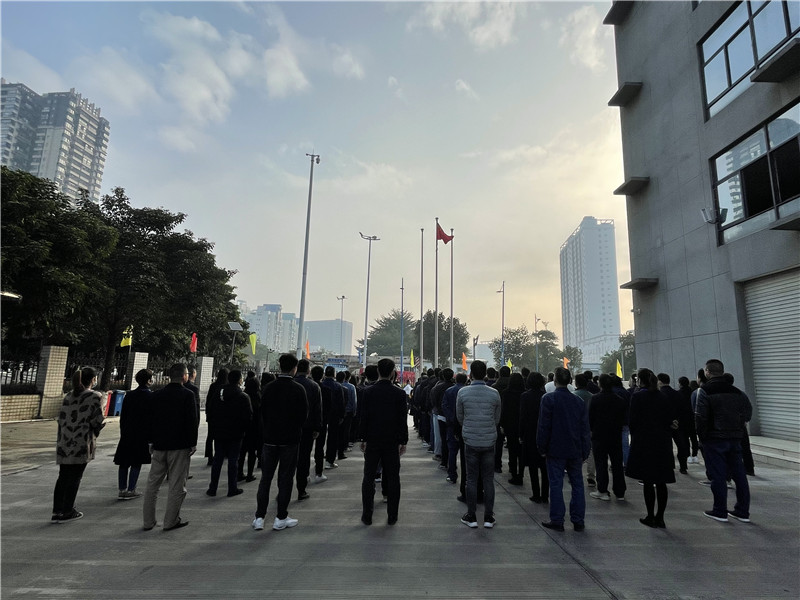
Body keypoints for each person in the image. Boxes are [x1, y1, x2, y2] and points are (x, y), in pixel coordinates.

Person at [252, 354, 308, 532]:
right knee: (285, 479)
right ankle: (281, 517)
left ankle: (259, 517)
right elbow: (303, 416)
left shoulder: (268, 388)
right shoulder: (298, 389)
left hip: (269, 440)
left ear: (280, 366)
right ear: (294, 368)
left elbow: (262, 413)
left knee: (265, 479)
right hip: (289, 441)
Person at [143, 363, 198, 531]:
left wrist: (151, 441)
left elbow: (150, 419)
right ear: (184, 376)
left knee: (153, 485)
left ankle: (148, 521)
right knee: (177, 485)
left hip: (159, 445)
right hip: (179, 446)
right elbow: (192, 421)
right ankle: (170, 520)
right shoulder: (187, 395)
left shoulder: (157, 395)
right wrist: (192, 443)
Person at [695, 359, 752, 523]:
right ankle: (742, 511)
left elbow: (700, 417)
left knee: (718, 475)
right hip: (735, 437)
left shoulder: (704, 391)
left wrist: (702, 438)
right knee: (739, 475)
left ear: (707, 372)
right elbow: (747, 413)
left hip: (714, 439)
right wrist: (738, 426)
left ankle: (720, 510)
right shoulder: (737, 392)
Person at [537, 367, 591, 532]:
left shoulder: (548, 399)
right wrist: (585, 450)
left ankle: (557, 519)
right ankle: (578, 520)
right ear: (570, 381)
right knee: (577, 484)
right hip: (575, 449)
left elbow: (544, 426)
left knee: (556, 484)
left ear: (555, 381)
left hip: (555, 449)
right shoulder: (578, 402)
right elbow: (584, 428)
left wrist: (542, 446)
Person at [357, 358, 409, 526]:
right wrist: (403, 440)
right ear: (393, 372)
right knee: (393, 478)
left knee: (369, 477)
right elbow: (402, 419)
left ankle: (367, 515)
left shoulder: (368, 392)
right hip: (391, 441)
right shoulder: (399, 393)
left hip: (372, 440)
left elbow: (363, 417)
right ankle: (392, 515)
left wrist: (362, 438)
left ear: (378, 371)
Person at [52, 366, 105, 523]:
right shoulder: (95, 396)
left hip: (64, 441)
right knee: (75, 477)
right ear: (93, 379)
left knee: (63, 476)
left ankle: (57, 510)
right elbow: (97, 420)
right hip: (81, 442)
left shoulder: (68, 396)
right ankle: (67, 510)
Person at [625, 368, 676, 528]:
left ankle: (650, 516)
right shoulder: (663, 396)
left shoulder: (638, 396)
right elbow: (669, 419)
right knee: (661, 482)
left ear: (640, 380)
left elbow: (632, 420)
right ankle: (660, 517)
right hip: (662, 443)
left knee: (648, 481)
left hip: (644, 442)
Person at [456, 360, 501, 529]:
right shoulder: (494, 393)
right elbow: (497, 418)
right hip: (489, 440)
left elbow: (460, 416)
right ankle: (489, 516)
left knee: (471, 479)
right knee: (488, 479)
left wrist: (469, 427)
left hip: (470, 440)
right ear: (486, 374)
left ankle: (471, 515)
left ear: (471, 374)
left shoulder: (463, 392)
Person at [206, 370, 252, 498]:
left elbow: (211, 409)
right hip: (236, 434)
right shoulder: (243, 396)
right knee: (233, 460)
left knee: (217, 460)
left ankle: (212, 488)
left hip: (219, 432)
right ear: (239, 380)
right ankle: (232, 488)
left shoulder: (219, 393)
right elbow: (248, 417)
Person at [113, 368, 153, 500]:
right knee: (136, 462)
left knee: (124, 462)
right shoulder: (150, 396)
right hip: (142, 434)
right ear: (149, 381)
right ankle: (131, 489)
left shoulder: (129, 395)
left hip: (127, 432)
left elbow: (123, 416)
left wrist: (123, 431)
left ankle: (122, 489)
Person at [588, 374, 627, 502]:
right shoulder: (619, 400)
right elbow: (623, 418)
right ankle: (620, 492)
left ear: (600, 384)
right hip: (615, 436)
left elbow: (590, 418)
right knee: (617, 464)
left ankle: (602, 490)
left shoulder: (595, 399)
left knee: (601, 463)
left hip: (599, 436)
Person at [294, 359, 322, 500]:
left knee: (287, 460)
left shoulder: (289, 383)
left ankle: (283, 490)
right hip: (307, 427)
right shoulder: (313, 386)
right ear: (308, 370)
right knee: (304, 458)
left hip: (288, 428)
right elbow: (317, 409)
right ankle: (301, 489)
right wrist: (317, 427)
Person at [520, 372, 548, 503]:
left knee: (532, 466)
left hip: (530, 433)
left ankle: (536, 493)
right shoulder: (546, 396)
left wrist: (521, 434)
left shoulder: (525, 396)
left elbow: (522, 417)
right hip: (544, 433)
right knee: (545, 467)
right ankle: (545, 494)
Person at [657, 373, 691, 474]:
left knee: (667, 446)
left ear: (660, 382)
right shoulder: (677, 394)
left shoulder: (659, 395)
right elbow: (683, 409)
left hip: (665, 425)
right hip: (678, 424)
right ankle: (683, 466)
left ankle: (669, 465)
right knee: (681, 445)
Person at [441, 373, 467, 484]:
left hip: (452, 425)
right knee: (466, 453)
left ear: (455, 380)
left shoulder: (449, 391)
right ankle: (466, 477)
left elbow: (444, 406)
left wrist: (451, 418)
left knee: (452, 451)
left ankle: (452, 475)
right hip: (465, 425)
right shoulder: (467, 391)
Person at [500, 372, 524, 485]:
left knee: (512, 450)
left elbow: (504, 410)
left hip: (510, 425)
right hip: (521, 425)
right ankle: (521, 473)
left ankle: (513, 471)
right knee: (521, 451)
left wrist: (502, 424)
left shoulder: (506, 393)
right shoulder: (524, 393)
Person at [238, 371, 261, 483]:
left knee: (242, 452)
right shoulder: (258, 397)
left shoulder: (242, 396)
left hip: (243, 429)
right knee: (252, 452)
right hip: (254, 429)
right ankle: (250, 474)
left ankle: (239, 473)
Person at [573, 373, 596, 488]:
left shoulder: (573, 396)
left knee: (576, 451)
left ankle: (575, 473)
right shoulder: (592, 396)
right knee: (591, 452)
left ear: (576, 383)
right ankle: (591, 476)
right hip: (589, 427)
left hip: (575, 427)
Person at [204, 368, 228, 466]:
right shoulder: (226, 387)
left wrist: (208, 414)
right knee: (222, 436)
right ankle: (221, 454)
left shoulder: (213, 386)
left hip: (212, 415)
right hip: (223, 416)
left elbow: (208, 400)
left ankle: (209, 456)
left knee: (210, 436)